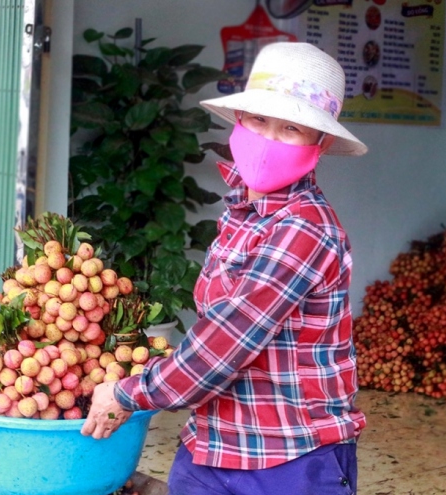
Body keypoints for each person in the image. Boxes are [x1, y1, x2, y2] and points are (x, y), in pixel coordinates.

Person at [81, 42, 368, 494]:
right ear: (239, 121)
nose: (268, 138)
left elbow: (225, 342)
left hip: (290, 458)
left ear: (321, 143)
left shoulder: (304, 229)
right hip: (213, 446)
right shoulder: (240, 213)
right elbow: (215, 329)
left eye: (290, 128)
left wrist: (128, 393)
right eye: (259, 121)